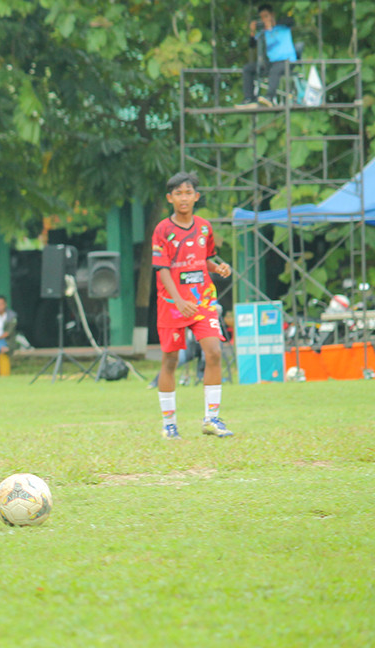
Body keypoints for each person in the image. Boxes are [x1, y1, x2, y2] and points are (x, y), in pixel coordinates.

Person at [152, 171, 233, 440]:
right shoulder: (162, 229)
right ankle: (169, 424)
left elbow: (205, 257)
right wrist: (177, 299)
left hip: (202, 301)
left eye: (188, 192)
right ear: (170, 198)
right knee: (171, 359)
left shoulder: (204, 227)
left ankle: (211, 418)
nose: (184, 197)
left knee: (214, 351)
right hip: (172, 303)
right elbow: (162, 269)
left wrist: (218, 266)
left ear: (196, 196)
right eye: (178, 193)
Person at [237, 4, 296, 109]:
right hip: (272, 62)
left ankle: (269, 97)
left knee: (275, 70)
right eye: (262, 17)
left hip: (287, 61)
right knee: (248, 68)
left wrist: (273, 24)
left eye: (266, 16)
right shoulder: (263, 32)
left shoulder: (283, 26)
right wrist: (252, 31)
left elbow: (291, 21)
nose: (264, 19)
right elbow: (252, 45)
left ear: (272, 15)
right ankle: (249, 98)